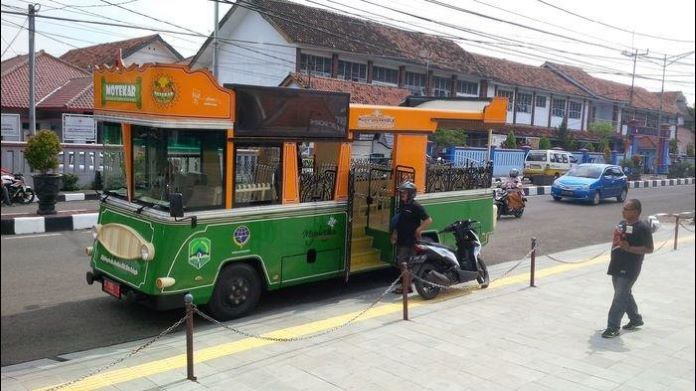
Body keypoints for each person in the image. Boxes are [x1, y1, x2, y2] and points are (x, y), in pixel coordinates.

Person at [602, 199, 654, 338]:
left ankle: (613, 327)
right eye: (623, 208)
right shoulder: (621, 223)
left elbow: (649, 249)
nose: (623, 211)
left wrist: (630, 248)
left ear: (636, 212)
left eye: (627, 209)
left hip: (630, 267)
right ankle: (636, 319)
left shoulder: (643, 227)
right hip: (616, 264)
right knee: (624, 294)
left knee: (619, 297)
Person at [390, 180, 432, 294]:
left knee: (405, 264)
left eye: (404, 192)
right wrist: (395, 233)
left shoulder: (416, 206)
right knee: (404, 264)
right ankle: (407, 287)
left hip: (410, 241)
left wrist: (419, 229)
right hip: (402, 239)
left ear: (411, 193)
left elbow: (428, 220)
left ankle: (406, 287)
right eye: (401, 192)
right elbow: (400, 221)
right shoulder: (403, 205)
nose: (402, 194)